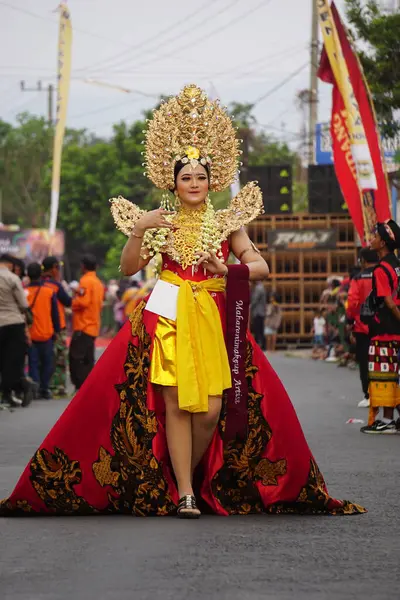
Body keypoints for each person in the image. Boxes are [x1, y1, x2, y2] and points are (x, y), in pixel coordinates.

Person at [0, 85, 364, 518]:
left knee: (211, 409)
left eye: (201, 177)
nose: (194, 183)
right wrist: (139, 228)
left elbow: (261, 266)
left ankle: (175, 481)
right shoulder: (161, 220)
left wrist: (226, 271)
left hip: (212, 316)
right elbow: (129, 267)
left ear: (212, 181)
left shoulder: (228, 222)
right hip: (168, 315)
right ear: (172, 182)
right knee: (173, 400)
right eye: (185, 177)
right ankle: (187, 493)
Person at [360, 221, 400, 435]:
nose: (371, 240)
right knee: (395, 373)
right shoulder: (397, 265)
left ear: (383, 243)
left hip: (385, 330)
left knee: (383, 375)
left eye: (375, 236)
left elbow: (390, 303)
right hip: (395, 331)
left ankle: (386, 420)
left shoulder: (381, 269)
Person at [0, 254, 33, 408]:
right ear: (11, 265)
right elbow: (23, 304)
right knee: (13, 360)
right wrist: (29, 320)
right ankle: (24, 386)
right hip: (13, 323)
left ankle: (7, 395)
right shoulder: (12, 278)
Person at [347, 248, 379, 408]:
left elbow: (352, 302)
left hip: (362, 327)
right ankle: (387, 395)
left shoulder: (358, 278)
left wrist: (350, 321)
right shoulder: (384, 274)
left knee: (365, 361)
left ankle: (368, 395)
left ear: (363, 261)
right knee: (383, 360)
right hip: (382, 326)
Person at [69, 254, 104, 391]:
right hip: (93, 325)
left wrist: (71, 303)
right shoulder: (98, 282)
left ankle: (81, 386)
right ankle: (89, 387)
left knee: (76, 358)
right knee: (88, 359)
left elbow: (84, 301)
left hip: (83, 325)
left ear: (83, 266)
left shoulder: (85, 281)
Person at [26, 263, 60, 400]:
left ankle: (35, 387)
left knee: (33, 363)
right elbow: (55, 314)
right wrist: (56, 330)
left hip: (30, 334)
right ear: (40, 274)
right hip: (47, 333)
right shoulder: (49, 291)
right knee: (47, 363)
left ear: (28, 275)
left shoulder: (24, 292)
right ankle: (44, 388)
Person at [41, 256, 72, 398]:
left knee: (42, 358)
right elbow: (68, 301)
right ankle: (58, 387)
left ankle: (43, 386)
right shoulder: (55, 285)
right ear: (54, 268)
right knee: (59, 358)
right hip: (57, 327)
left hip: (39, 327)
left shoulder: (36, 282)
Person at [250, 281, 266, 350]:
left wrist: (250, 306)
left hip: (258, 312)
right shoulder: (260, 287)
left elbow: (254, 300)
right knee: (260, 330)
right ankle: (262, 345)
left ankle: (259, 346)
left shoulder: (259, 288)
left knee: (258, 330)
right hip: (260, 312)